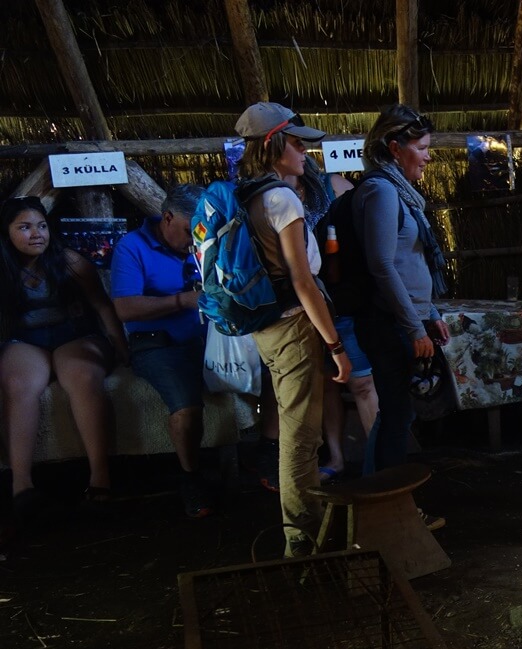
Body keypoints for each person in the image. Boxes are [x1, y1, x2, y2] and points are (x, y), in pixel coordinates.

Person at [232, 102, 352, 557]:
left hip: (267, 324)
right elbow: (303, 282)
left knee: (295, 427)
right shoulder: (282, 199)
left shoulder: (248, 192)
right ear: (274, 145)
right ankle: (303, 543)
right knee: (301, 438)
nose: (305, 151)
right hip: (294, 327)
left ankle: (305, 531)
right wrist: (335, 344)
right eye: (297, 142)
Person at [1, 196, 129, 525]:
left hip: (75, 335)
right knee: (18, 384)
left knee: (82, 377)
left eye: (41, 226)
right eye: (25, 228)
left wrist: (118, 344)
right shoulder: (4, 268)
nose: (36, 234)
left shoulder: (69, 261)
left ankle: (100, 479)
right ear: (7, 233)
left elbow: (102, 305)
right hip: (28, 341)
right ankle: (22, 487)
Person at [352, 105, 450, 504]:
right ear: (395, 147)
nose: (428, 156)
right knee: (396, 417)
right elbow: (382, 264)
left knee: (397, 414)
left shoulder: (399, 193)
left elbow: (411, 264)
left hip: (404, 319)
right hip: (388, 323)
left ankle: (379, 500)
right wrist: (412, 327)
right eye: (422, 147)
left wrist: (429, 315)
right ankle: (389, 506)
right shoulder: (380, 191)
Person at [110, 184, 215, 518]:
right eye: (190, 230)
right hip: (156, 343)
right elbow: (125, 308)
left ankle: (267, 454)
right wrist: (182, 301)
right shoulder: (131, 247)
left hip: (209, 338)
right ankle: (190, 477)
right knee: (186, 407)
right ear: (168, 217)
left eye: (202, 230)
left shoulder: (204, 242)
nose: (196, 238)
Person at [294, 156, 378, 482]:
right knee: (327, 385)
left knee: (362, 383)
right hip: (306, 306)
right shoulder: (279, 193)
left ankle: (377, 465)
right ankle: (338, 458)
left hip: (343, 300)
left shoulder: (339, 187)